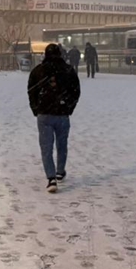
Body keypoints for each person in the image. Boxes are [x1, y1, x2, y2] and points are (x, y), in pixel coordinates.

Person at [27, 44, 81, 193]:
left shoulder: (38, 71)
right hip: (62, 113)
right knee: (62, 145)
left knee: (46, 147)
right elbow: (76, 91)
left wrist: (36, 109)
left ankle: (51, 178)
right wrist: (69, 107)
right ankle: (60, 171)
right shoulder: (68, 70)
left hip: (44, 114)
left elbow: (31, 91)